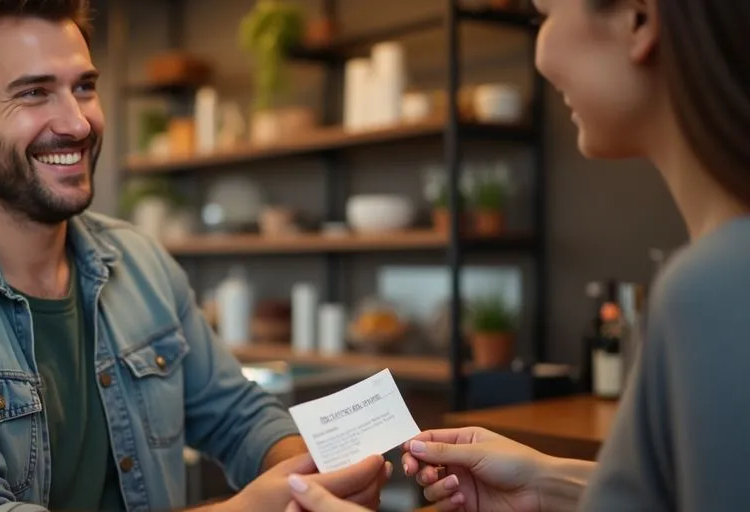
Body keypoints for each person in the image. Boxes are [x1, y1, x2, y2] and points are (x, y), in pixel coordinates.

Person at [0, 1, 391, 511]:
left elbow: (235, 413)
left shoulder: (140, 261)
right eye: (34, 93)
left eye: (83, 86)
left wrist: (313, 474)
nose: (78, 121)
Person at [288, 0, 750, 510]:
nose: (540, 58)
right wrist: (551, 483)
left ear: (639, 18)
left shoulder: (713, 289)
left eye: (544, 15)